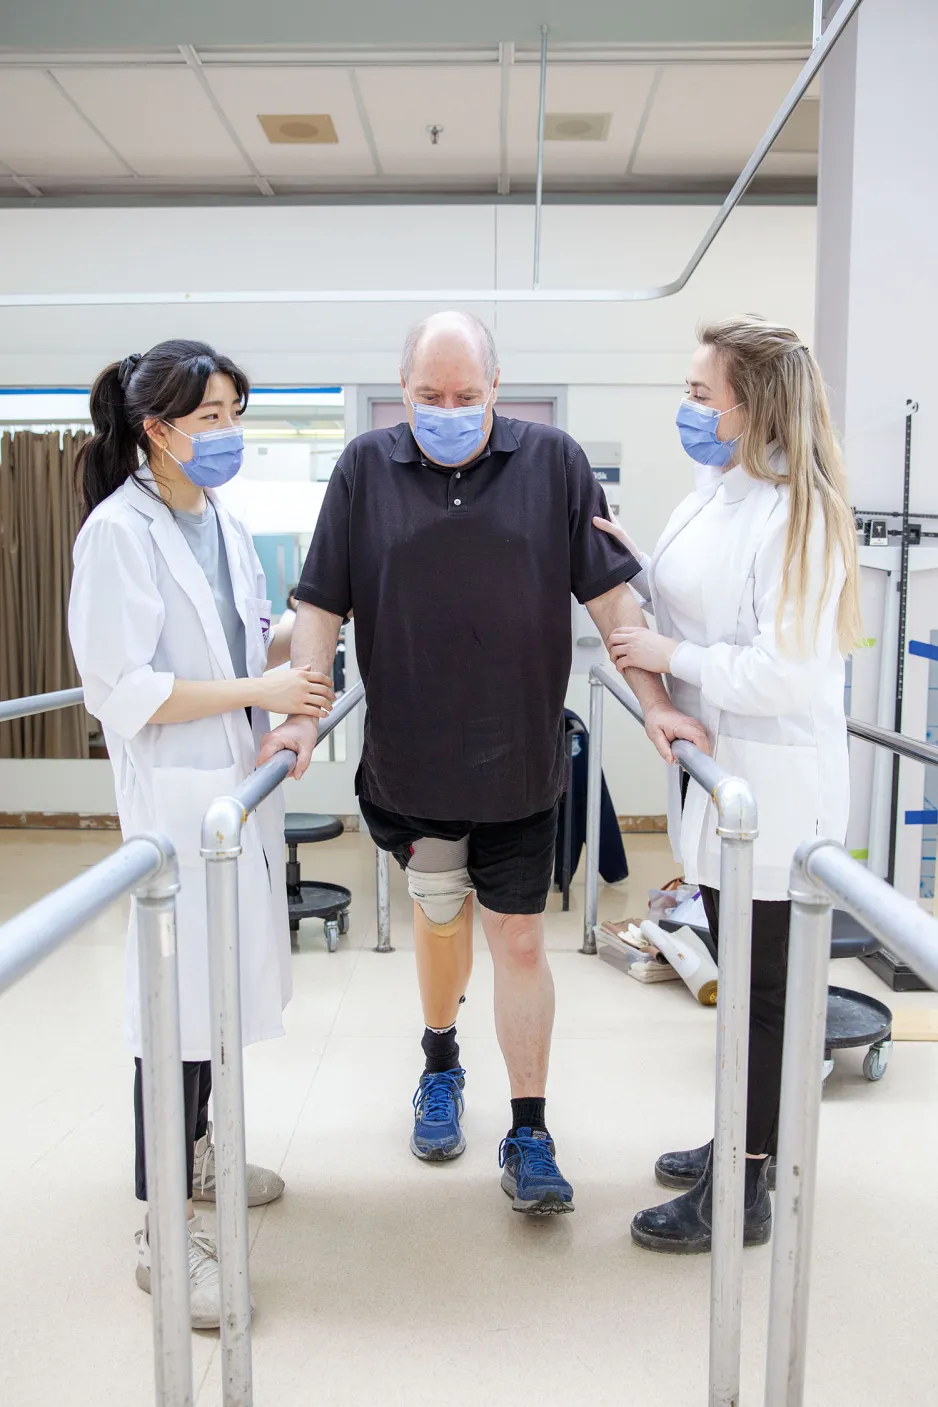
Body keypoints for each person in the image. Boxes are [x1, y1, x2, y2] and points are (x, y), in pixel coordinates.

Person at [258, 310, 707, 1216]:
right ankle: (439, 1062)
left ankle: (531, 1128)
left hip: (520, 759)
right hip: (411, 760)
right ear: (404, 392)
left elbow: (614, 599)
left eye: (467, 396)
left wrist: (658, 704)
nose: (449, 411)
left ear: (497, 390)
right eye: (430, 396)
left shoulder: (553, 464)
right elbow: (319, 603)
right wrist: (303, 714)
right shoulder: (362, 470)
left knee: (522, 937)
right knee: (437, 922)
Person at [67, 340, 335, 1324]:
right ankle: (162, 1227)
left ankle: (202, 1157)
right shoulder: (119, 534)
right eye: (207, 418)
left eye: (233, 415)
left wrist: (303, 638)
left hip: (231, 800)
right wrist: (261, 687)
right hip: (175, 812)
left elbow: (238, 631)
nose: (225, 435)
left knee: (215, 1004)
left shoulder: (217, 519)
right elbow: (124, 691)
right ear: (156, 429)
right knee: (170, 1023)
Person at [595, 315, 860, 1253]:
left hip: (776, 788)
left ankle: (746, 1188)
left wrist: (674, 654)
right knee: (743, 982)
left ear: (753, 407)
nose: (689, 408)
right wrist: (629, 561)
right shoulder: (718, 491)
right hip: (721, 783)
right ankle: (737, 1141)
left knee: (768, 994)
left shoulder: (802, 513)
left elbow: (783, 673)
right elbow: (688, 597)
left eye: (703, 394)